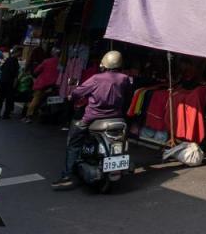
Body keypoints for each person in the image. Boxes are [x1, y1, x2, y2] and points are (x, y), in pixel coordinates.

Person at [51, 50, 131, 189]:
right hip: (118, 118)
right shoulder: (124, 79)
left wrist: (72, 97)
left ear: (104, 64)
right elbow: (128, 95)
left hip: (93, 117)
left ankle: (67, 176)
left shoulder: (96, 79)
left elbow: (77, 92)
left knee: (74, 143)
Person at [24, 48, 61, 122]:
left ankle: (29, 116)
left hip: (42, 84)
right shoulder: (61, 63)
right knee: (53, 100)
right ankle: (50, 117)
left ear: (52, 53)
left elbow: (36, 71)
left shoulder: (46, 61)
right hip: (55, 84)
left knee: (36, 99)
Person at [0, 47, 19, 120]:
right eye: (19, 53)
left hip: (2, 80)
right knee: (9, 99)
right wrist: (15, 83)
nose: (19, 54)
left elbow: (1, 68)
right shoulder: (15, 61)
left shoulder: (8, 59)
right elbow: (15, 74)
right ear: (16, 53)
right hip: (9, 82)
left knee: (0, 98)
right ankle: (6, 115)